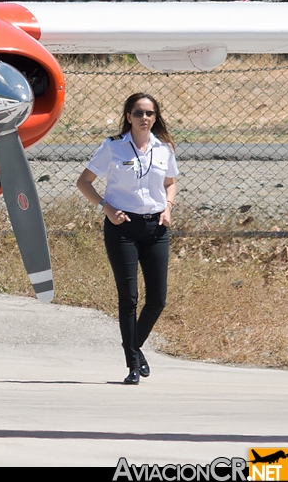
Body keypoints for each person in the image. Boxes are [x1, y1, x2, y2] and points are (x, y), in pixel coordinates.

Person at [76, 92, 178, 385]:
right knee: (129, 298)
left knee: (157, 299)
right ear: (128, 117)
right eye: (138, 113)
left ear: (155, 117)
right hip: (123, 227)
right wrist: (105, 207)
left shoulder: (164, 149)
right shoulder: (113, 148)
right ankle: (132, 364)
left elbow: (170, 183)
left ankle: (134, 347)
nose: (144, 118)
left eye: (149, 113)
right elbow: (84, 182)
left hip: (155, 228)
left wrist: (168, 208)